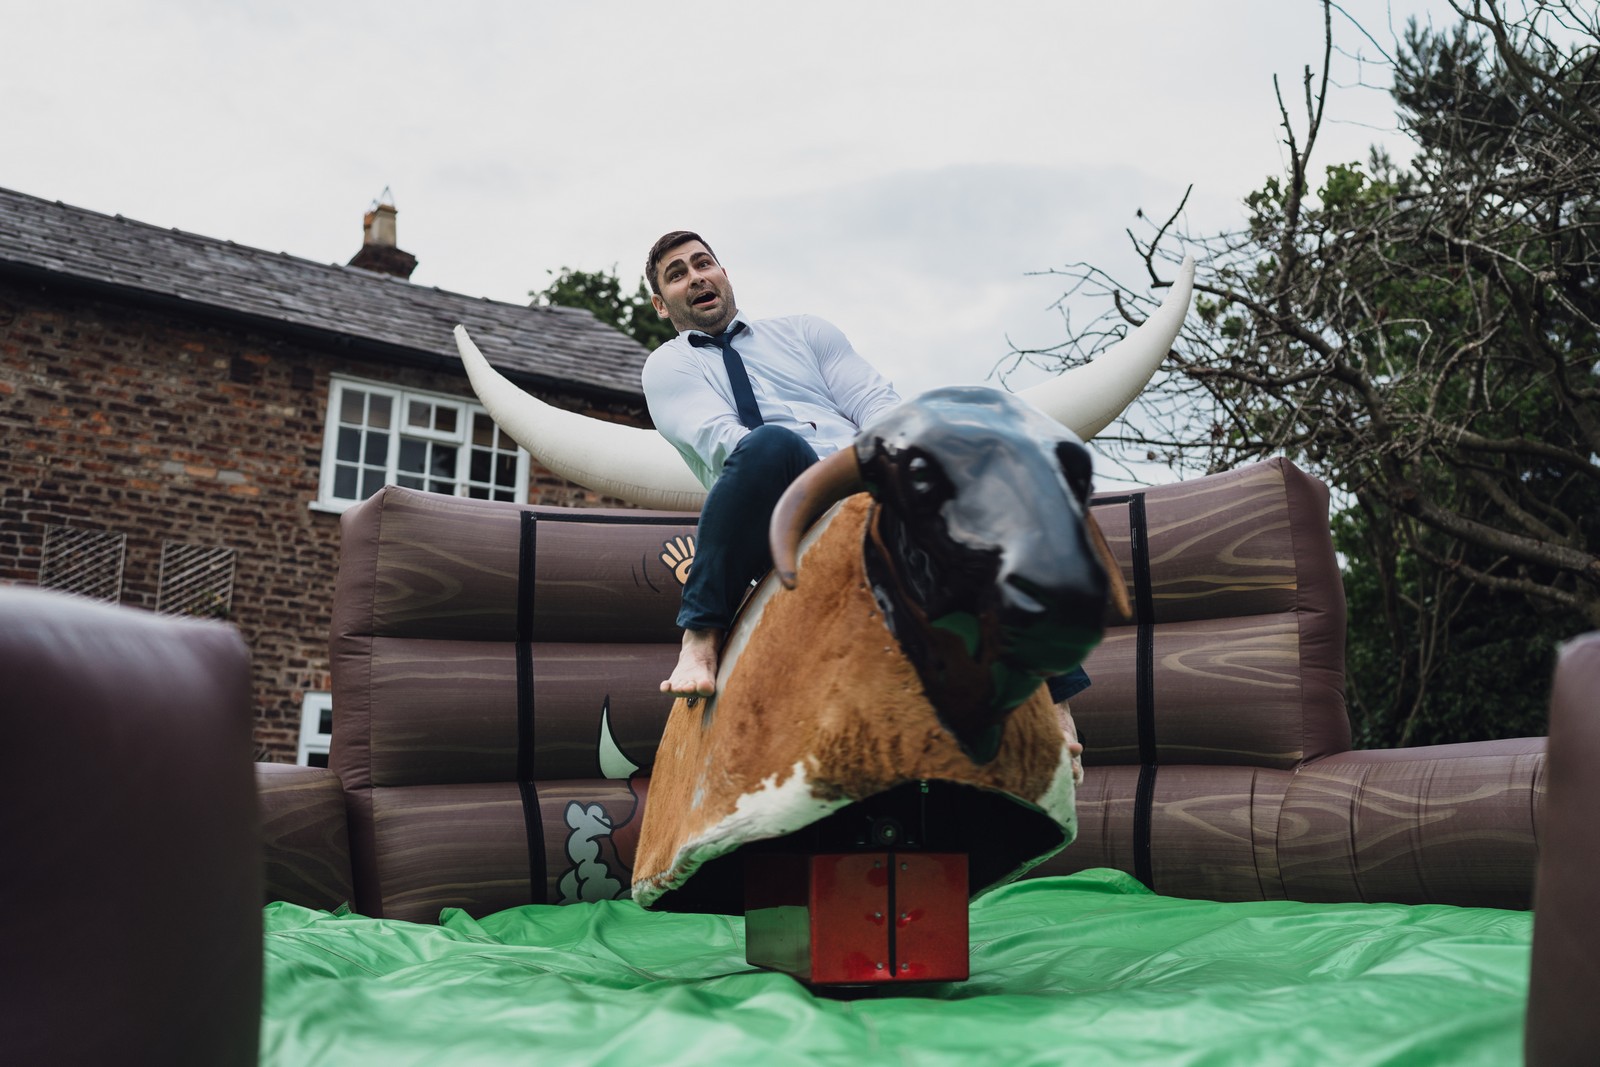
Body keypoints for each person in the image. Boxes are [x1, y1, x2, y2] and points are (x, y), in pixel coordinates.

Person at [640, 230, 901, 698]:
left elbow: (874, 401)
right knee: (771, 444)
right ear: (662, 305)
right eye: (677, 275)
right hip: (779, 505)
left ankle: (1054, 702)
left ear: (723, 274)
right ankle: (700, 632)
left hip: (867, 479)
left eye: (704, 264)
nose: (696, 277)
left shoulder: (805, 331)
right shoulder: (667, 366)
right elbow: (723, 441)